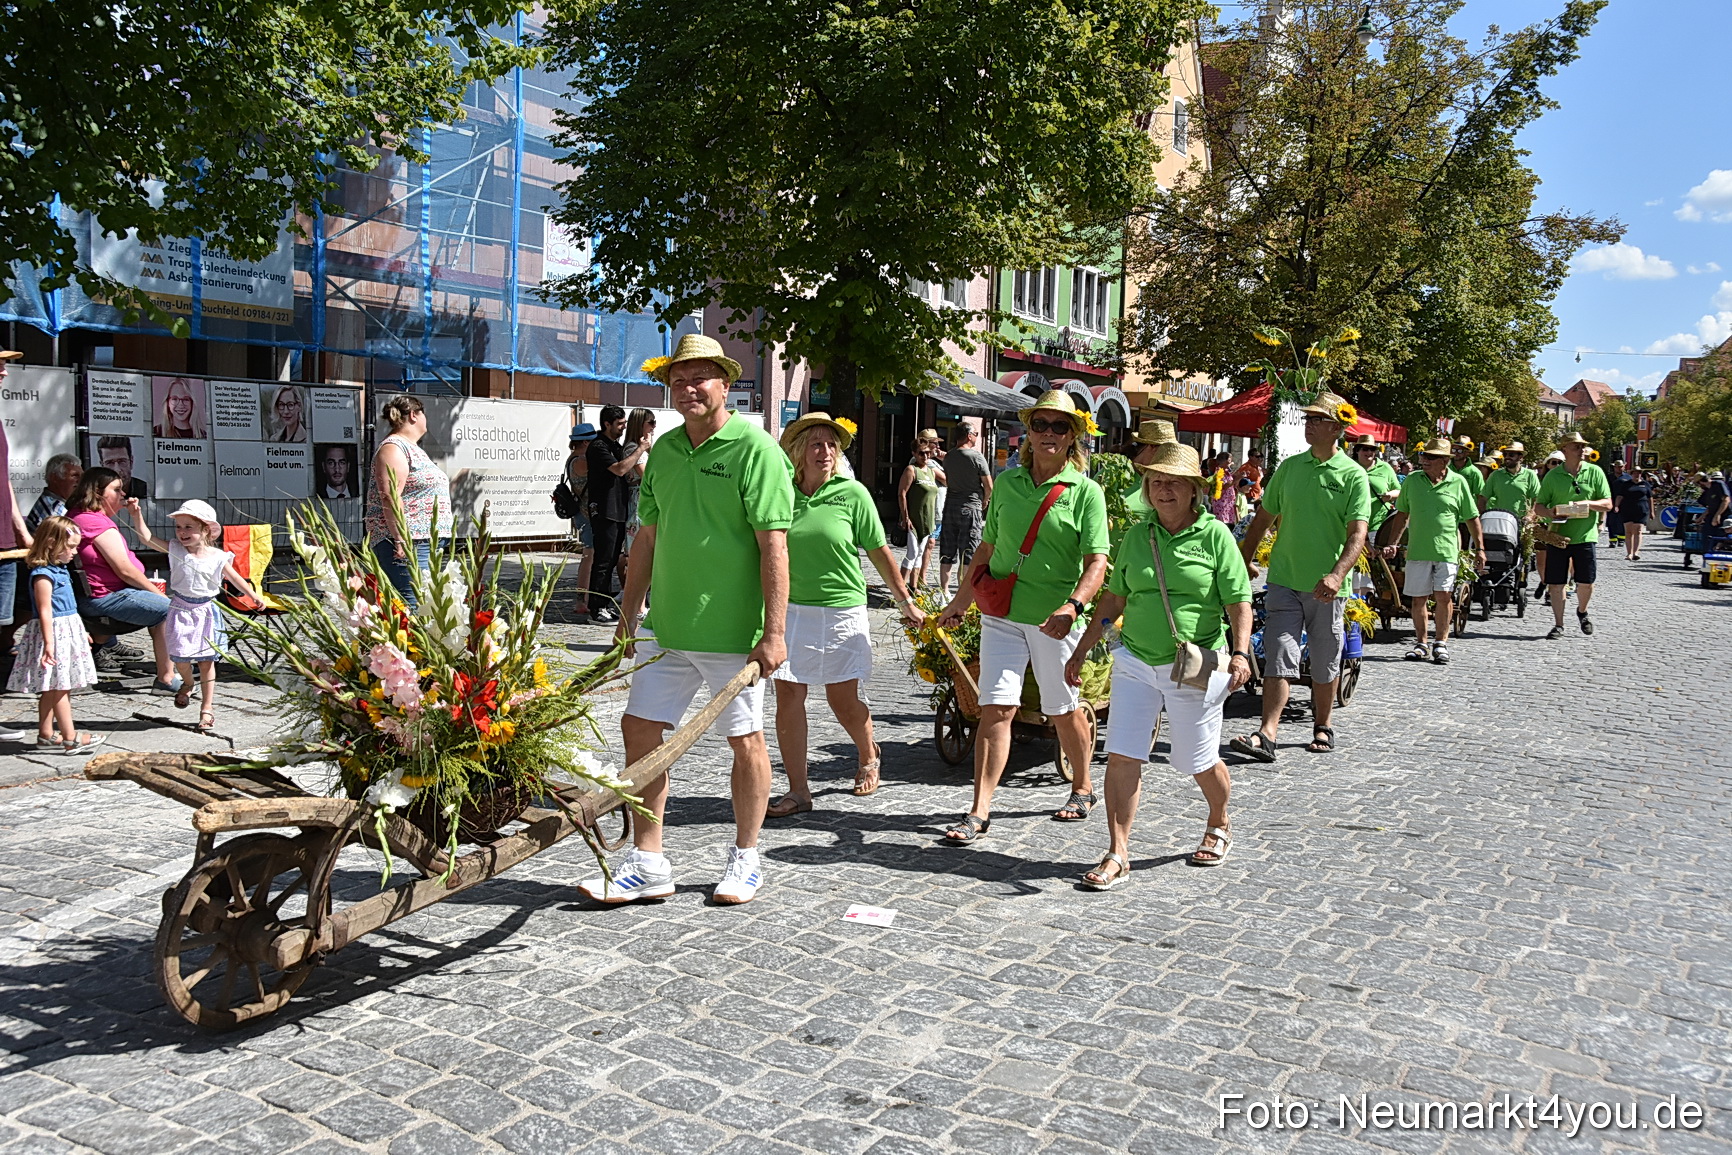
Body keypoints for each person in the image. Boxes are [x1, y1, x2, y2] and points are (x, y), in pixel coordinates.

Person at [579, 334, 794, 906]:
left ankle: (747, 856)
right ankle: (649, 862)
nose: (689, 388)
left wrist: (774, 633)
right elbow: (646, 537)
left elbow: (774, 545)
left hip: (733, 631)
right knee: (640, 731)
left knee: (744, 741)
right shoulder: (667, 452)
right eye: (678, 380)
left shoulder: (756, 449)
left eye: (700, 378)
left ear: (726, 384)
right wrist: (628, 615)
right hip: (667, 626)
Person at [1064, 443, 1253, 888]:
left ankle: (1219, 820)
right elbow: (1114, 597)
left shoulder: (1215, 535)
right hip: (1134, 661)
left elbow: (1238, 601)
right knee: (1122, 754)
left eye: (1173, 482)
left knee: (1195, 760)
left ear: (1194, 490)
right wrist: (1083, 647)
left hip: (1193, 664)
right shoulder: (1137, 535)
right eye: (1155, 482)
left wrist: (1242, 652)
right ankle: (1117, 851)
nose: (1163, 489)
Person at [937, 390, 1109, 841]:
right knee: (996, 708)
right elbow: (987, 549)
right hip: (1002, 616)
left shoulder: (1086, 493)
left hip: (1053, 623)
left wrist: (1073, 607)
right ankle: (979, 809)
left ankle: (1084, 785)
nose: (1048, 433)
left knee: (1062, 709)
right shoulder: (1008, 485)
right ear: (1028, 432)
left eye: (1059, 426)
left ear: (1073, 436)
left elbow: (1096, 562)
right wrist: (960, 601)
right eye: (1040, 425)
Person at [766, 413, 923, 817]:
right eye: (817, 444)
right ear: (799, 451)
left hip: (841, 609)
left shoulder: (852, 494)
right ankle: (798, 789)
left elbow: (879, 551)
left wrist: (905, 602)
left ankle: (869, 751)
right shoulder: (782, 492)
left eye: (832, 445)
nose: (826, 451)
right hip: (792, 609)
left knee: (842, 698)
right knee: (789, 694)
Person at [1232, 391, 1371, 758]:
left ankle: (1322, 724)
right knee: (1279, 653)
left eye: (1316, 420)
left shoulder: (1353, 476)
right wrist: (1241, 560)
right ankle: (1267, 733)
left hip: (1327, 588)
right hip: (1284, 580)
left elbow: (1357, 534)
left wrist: (1338, 575)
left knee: (1325, 659)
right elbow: (1262, 519)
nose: (1308, 425)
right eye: (1307, 419)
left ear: (1337, 427)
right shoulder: (1290, 469)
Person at [128, 500, 258, 732]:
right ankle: (188, 683)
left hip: (205, 611)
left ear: (205, 529)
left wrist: (252, 594)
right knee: (180, 659)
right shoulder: (175, 549)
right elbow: (146, 538)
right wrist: (136, 514)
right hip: (180, 609)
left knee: (206, 661)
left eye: (189, 527)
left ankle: (207, 709)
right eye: (179, 527)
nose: (182, 532)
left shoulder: (218, 556)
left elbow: (235, 578)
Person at [66, 468, 178, 692]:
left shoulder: (78, 515)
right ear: (98, 494)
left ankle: (96, 650)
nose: (123, 495)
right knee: (170, 608)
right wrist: (158, 594)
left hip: (95, 595)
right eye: (116, 490)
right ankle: (166, 678)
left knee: (161, 606)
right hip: (105, 598)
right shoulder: (96, 523)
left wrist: (135, 515)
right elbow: (125, 570)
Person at [1379, 438, 1485, 665]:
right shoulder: (1412, 481)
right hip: (1417, 550)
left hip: (1447, 550)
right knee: (1418, 599)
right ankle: (1421, 643)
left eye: (1430, 457)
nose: (1424, 460)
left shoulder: (1458, 483)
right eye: (1423, 456)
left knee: (1443, 596)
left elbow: (1471, 517)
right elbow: (1402, 514)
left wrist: (1480, 549)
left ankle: (1441, 643)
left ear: (1445, 461)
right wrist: (1393, 543)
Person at [6, 517, 103, 753]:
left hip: (67, 630)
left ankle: (46, 734)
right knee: (61, 686)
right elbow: (45, 610)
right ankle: (70, 737)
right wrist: (49, 643)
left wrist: (81, 632)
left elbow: (69, 606)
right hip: (54, 634)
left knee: (53, 687)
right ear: (51, 543)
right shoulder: (43, 575)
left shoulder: (60, 571)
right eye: (69, 547)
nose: (73, 552)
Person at [365, 394, 451, 609]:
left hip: (425, 540)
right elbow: (390, 495)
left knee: (427, 606)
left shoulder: (414, 448)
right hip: (410, 541)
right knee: (414, 606)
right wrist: (400, 538)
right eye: (423, 413)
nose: (425, 419)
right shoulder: (393, 448)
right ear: (414, 415)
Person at [1534, 431, 1612, 639]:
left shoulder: (1595, 472)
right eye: (1576, 446)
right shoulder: (1553, 475)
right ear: (1565, 449)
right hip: (1558, 536)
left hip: (1585, 536)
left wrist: (1587, 504)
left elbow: (1608, 503)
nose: (1581, 450)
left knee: (1586, 582)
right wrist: (1550, 513)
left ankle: (1582, 611)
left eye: (1582, 446)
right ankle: (1559, 624)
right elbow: (1539, 505)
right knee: (1557, 583)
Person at [583, 405, 648, 623]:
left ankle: (604, 602)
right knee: (603, 560)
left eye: (624, 424)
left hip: (618, 509)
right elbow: (620, 469)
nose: (623, 428)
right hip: (604, 509)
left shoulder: (614, 445)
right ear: (606, 424)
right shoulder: (598, 446)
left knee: (611, 560)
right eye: (619, 424)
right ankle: (596, 607)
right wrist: (639, 450)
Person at [0, 358, 36, 691]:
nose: (4, 371)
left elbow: (4, 479)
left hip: (5, 544)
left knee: (2, 624)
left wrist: (21, 530)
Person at [937, 423, 993, 596]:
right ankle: (963, 593)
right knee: (968, 552)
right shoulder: (976, 457)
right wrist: (985, 500)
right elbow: (989, 485)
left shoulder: (950, 456)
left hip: (950, 506)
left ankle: (944, 593)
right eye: (975, 433)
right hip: (970, 507)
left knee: (947, 552)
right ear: (969, 436)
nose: (976, 436)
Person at [897, 432, 945, 591]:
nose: (925, 456)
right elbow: (902, 493)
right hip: (913, 519)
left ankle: (913, 586)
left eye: (927, 453)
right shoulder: (911, 470)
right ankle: (900, 588)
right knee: (912, 553)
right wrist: (905, 517)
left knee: (919, 554)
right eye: (921, 453)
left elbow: (947, 480)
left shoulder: (931, 471)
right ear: (914, 453)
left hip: (928, 519)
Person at [617, 408, 657, 591]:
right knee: (636, 548)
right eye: (651, 422)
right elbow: (648, 474)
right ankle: (632, 591)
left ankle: (637, 591)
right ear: (640, 424)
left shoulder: (641, 447)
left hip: (643, 496)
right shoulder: (633, 448)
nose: (654, 426)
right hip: (639, 498)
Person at [561, 423, 598, 620]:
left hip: (582, 514)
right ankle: (582, 600)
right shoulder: (582, 460)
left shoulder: (572, 458)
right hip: (587, 514)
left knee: (589, 555)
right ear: (585, 442)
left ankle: (583, 599)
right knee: (589, 556)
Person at [1350, 434, 1400, 546]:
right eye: (1365, 449)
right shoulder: (1350, 468)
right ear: (1357, 450)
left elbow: (1399, 490)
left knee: (1375, 560)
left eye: (1372, 449)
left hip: (1377, 525)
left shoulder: (1385, 468)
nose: (1369, 452)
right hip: (1352, 524)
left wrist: (1390, 495)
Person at [26, 454, 82, 532]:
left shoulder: (58, 503)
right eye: (74, 475)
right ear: (54, 478)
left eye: (82, 476)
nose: (80, 480)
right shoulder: (53, 508)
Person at [1687, 470, 1731, 568]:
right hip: (1711, 516)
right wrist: (1701, 518)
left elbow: (1726, 500)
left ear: (1700, 482)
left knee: (1721, 539)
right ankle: (1707, 565)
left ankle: (1721, 565)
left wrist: (1717, 515)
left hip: (1724, 516)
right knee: (1707, 539)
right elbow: (1710, 507)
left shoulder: (1718, 484)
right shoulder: (1708, 491)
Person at [95, 436, 148, 501]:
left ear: (131, 462)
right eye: (109, 463)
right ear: (102, 465)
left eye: (122, 461)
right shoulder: (94, 494)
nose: (117, 469)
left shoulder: (147, 491)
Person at [1619, 468, 1653, 561]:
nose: (1636, 475)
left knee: (1638, 531)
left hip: (1641, 510)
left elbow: (1650, 498)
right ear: (1631, 474)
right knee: (1628, 531)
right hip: (1627, 509)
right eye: (1634, 473)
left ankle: (1636, 552)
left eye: (1638, 473)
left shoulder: (1645, 484)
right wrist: (1616, 506)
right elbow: (1620, 496)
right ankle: (1629, 553)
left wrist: (1652, 511)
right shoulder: (1626, 484)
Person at [1449, 435, 1485, 507]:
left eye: (1459, 451)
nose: (1456, 453)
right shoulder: (1447, 468)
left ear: (1467, 452)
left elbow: (1480, 495)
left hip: (1467, 511)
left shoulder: (1474, 472)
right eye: (1454, 450)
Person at [1606, 460, 1630, 548]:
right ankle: (1612, 539)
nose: (1618, 468)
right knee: (1611, 521)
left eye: (1620, 467)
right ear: (1614, 467)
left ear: (1623, 467)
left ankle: (1621, 539)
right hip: (1611, 502)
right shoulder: (1609, 477)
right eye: (1617, 466)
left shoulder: (1628, 478)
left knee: (1622, 521)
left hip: (1624, 503)